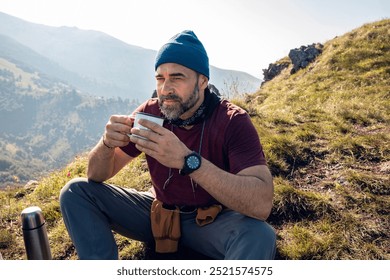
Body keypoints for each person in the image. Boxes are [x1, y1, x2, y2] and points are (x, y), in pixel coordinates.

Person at [59, 30, 276, 260]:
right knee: (75, 192)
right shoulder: (150, 113)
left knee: (259, 235)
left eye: (177, 77)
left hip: (211, 223)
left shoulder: (232, 121)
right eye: (160, 78)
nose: (165, 88)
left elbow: (261, 204)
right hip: (158, 216)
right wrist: (106, 144)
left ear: (202, 81)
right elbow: (96, 174)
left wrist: (188, 161)